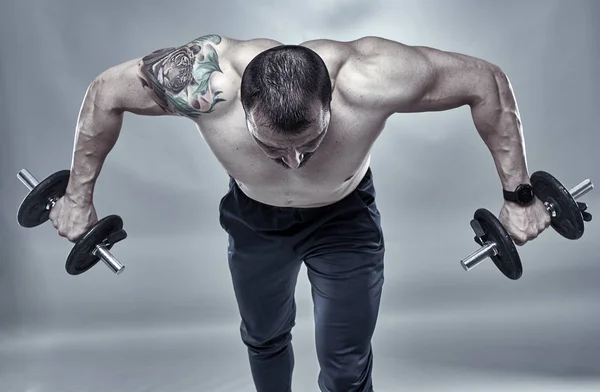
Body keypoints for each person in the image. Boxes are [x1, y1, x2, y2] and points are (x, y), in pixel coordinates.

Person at [48, 34, 551, 392]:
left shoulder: (375, 78)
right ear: (239, 108)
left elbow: (486, 82)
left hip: (345, 221)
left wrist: (520, 196)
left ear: (333, 101)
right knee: (263, 338)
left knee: (346, 364)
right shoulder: (204, 82)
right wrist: (77, 196)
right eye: (274, 149)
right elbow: (104, 94)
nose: (293, 163)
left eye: (310, 145)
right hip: (254, 223)